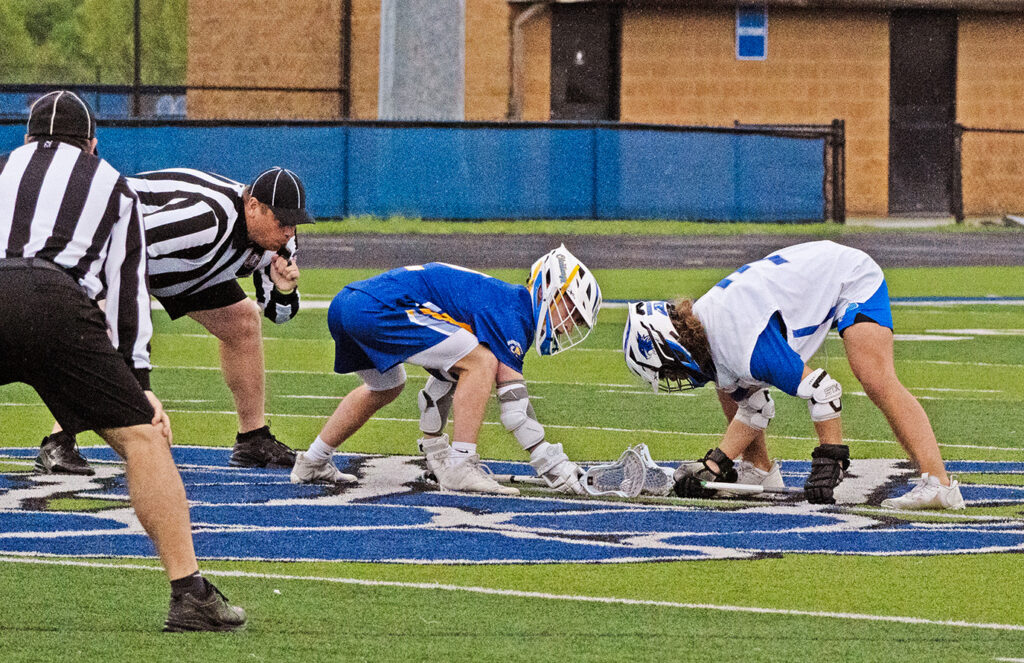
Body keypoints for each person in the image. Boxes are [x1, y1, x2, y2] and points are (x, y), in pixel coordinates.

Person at [1, 90, 245, 630]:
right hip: (56, 299)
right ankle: (191, 595)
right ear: (92, 144)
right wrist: (141, 383)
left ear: (26, 138)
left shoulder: (5, 169)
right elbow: (128, 290)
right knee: (142, 439)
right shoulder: (111, 182)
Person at [622, 240, 964, 510]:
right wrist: (716, 462)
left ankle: (939, 483)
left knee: (875, 378)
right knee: (727, 387)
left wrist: (831, 455)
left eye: (665, 369)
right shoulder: (711, 332)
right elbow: (754, 409)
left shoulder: (743, 343)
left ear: (673, 347)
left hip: (850, 276)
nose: (672, 377)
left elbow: (824, 391)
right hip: (802, 279)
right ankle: (758, 470)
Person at [34, 165, 313, 475]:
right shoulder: (207, 218)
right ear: (253, 206)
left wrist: (285, 290)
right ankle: (60, 440)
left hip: (182, 267)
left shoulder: (281, 243)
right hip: (115, 243)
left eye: (295, 223)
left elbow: (277, 313)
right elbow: (123, 241)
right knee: (102, 330)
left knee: (244, 320)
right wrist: (93, 297)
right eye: (282, 221)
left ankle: (253, 440)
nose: (289, 231)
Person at [290, 245, 602, 495]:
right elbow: (515, 411)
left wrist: (435, 448)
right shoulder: (513, 314)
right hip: (377, 308)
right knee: (481, 362)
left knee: (389, 384)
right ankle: (461, 463)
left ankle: (313, 461)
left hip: (349, 303)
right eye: (572, 310)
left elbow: (441, 380)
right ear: (550, 288)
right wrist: (552, 463)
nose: (569, 324)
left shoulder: (504, 302)